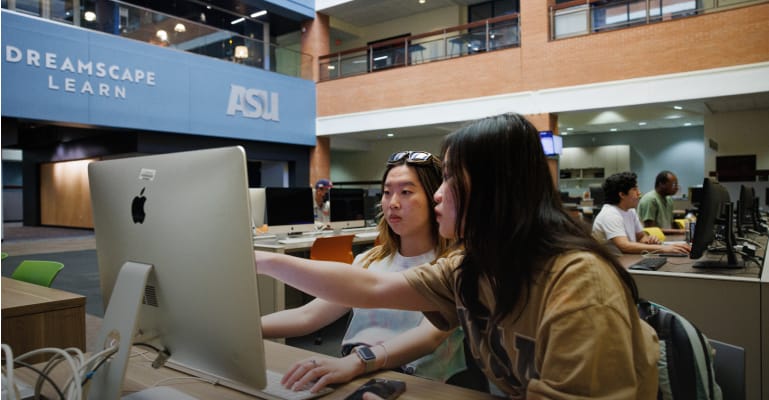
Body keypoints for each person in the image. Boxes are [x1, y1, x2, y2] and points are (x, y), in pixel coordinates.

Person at [256, 113, 660, 398]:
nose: (437, 193)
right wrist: (262, 260)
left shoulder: (577, 283)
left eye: (449, 178)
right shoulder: (473, 266)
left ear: (492, 190)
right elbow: (373, 286)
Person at [262, 152, 471, 393]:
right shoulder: (370, 259)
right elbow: (308, 315)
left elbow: (429, 336)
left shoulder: (452, 266)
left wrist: (358, 361)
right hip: (358, 372)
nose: (392, 202)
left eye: (406, 192)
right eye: (386, 192)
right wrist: (244, 328)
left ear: (435, 198)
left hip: (421, 384)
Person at [592, 171, 690, 255]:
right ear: (622, 194)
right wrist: (663, 248)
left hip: (627, 259)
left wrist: (649, 240)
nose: (639, 193)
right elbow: (624, 246)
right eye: (635, 189)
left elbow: (641, 237)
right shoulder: (610, 214)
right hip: (613, 264)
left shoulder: (630, 211)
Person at [637, 170, 686, 234]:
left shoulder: (669, 199)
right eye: (674, 184)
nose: (676, 188)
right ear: (661, 184)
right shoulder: (650, 199)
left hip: (667, 238)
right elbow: (650, 229)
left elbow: (669, 225)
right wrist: (679, 231)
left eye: (676, 185)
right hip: (652, 240)